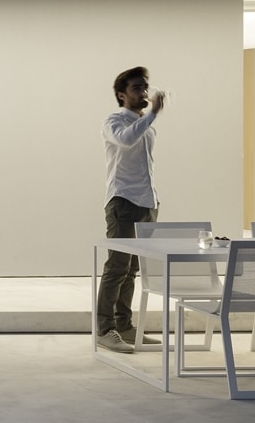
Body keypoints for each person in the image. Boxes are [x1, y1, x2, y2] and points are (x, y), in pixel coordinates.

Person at [95, 65, 166, 353]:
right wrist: (151, 115)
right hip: (123, 201)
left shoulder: (147, 126)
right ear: (121, 94)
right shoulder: (113, 121)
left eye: (145, 87)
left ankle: (124, 325)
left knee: (133, 269)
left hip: (147, 203)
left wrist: (154, 201)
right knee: (117, 267)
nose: (144, 93)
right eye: (137, 88)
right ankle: (105, 328)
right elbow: (125, 140)